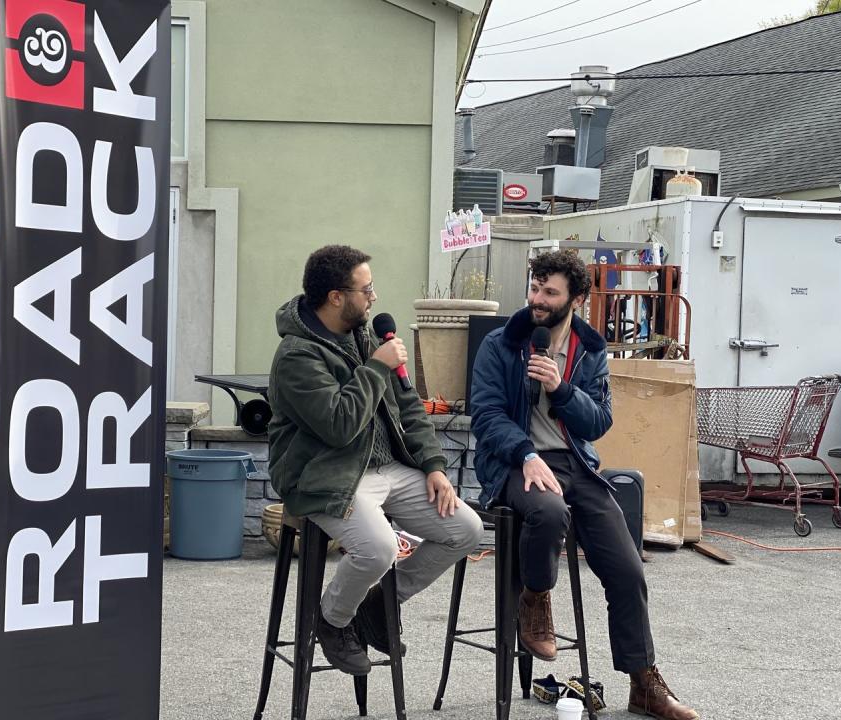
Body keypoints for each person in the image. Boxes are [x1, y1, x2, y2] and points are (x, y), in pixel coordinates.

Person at [470, 250, 698, 720]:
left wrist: (561, 389)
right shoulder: (500, 344)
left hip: (576, 464)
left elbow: (598, 422)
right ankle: (534, 598)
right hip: (514, 462)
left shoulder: (590, 350)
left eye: (549, 292)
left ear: (575, 299)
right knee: (549, 512)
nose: (537, 299)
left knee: (628, 568)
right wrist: (526, 454)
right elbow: (486, 416)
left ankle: (643, 683)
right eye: (534, 288)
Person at [268, 245, 484, 676]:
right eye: (366, 289)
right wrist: (376, 368)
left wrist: (434, 467)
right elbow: (338, 426)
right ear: (335, 296)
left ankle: (377, 607)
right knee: (379, 548)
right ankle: (332, 621)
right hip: (328, 474)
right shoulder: (297, 355)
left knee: (466, 529)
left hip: (388, 470)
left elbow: (410, 409)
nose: (374, 297)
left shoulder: (365, 335)